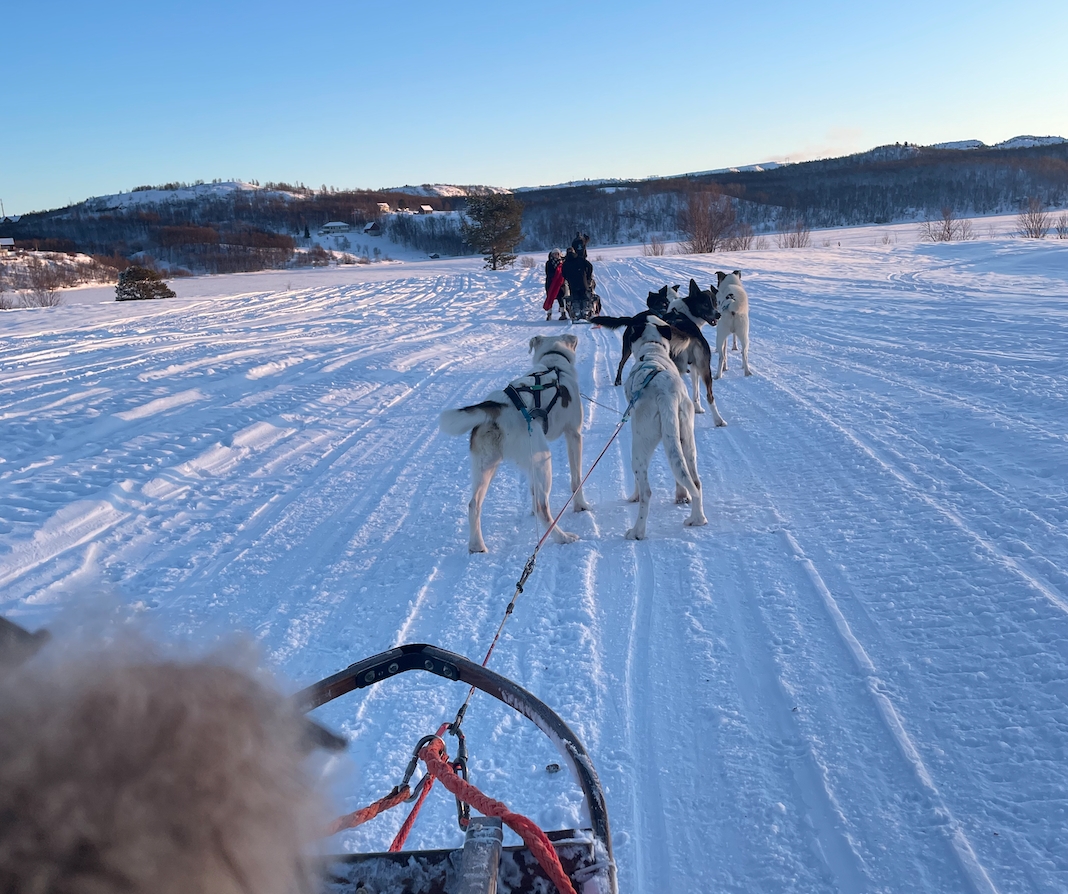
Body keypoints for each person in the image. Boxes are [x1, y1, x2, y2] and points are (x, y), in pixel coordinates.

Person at [561, 233, 600, 320]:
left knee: (575, 298)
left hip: (572, 284)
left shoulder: (566, 263)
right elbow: (590, 266)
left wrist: (567, 278)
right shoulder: (580, 259)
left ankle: (577, 313)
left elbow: (563, 273)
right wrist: (588, 276)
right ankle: (586, 312)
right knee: (585, 297)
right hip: (583, 282)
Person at [544, 249, 568, 320]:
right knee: (550, 298)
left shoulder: (562, 263)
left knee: (561, 298)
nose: (556, 255)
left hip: (560, 284)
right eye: (554, 254)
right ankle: (549, 314)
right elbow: (548, 273)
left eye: (557, 254)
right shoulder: (549, 263)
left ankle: (563, 313)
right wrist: (556, 276)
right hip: (551, 284)